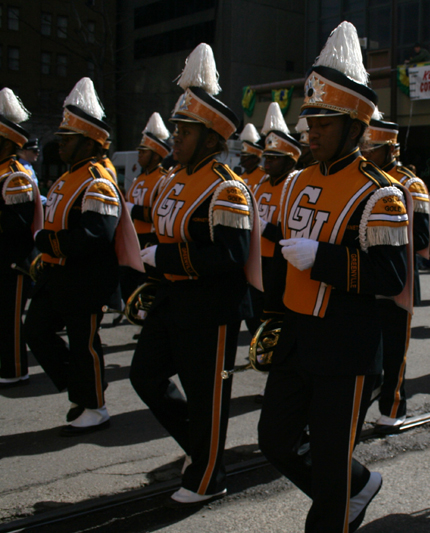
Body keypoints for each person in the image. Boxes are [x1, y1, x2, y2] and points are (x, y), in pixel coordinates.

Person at [257, 22, 410, 532]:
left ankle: (336, 505)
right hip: (297, 339)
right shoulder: (296, 180)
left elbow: (391, 277)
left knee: (327, 464)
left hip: (346, 349)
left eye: (324, 121)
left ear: (353, 127)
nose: (311, 130)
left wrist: (322, 259)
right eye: (309, 120)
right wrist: (270, 315)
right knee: (275, 441)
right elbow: (277, 252)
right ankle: (356, 483)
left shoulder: (380, 193)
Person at [129, 43, 258, 505]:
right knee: (144, 376)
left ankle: (208, 476)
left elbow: (232, 255)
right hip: (172, 300)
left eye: (184, 130)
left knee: (208, 399)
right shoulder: (172, 179)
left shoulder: (228, 188)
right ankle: (202, 450)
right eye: (176, 128)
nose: (175, 137)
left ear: (209, 138)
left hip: (212, 307)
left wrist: (162, 260)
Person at [25, 78, 140, 433]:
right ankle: (83, 388)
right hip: (58, 274)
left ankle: (94, 405)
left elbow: (94, 237)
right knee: (36, 331)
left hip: (85, 279)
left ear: (89, 142)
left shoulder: (97, 181)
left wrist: (46, 240)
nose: (61, 144)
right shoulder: (68, 177)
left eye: (68, 139)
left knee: (84, 344)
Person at [362, 109, 430, 432]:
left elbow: (420, 237)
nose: (366, 153)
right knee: (364, 346)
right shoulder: (361, 176)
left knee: (393, 349)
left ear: (391, 148)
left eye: (373, 147)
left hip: (398, 275)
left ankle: (393, 405)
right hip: (365, 274)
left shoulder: (411, 184)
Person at [247, 102, 301, 337]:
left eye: (274, 159)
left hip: (278, 263)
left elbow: (291, 233)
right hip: (258, 258)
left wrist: (263, 226)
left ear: (290, 161)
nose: (266, 163)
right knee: (253, 313)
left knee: (274, 314)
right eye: (266, 158)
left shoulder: (295, 187)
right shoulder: (260, 184)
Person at [0, 88, 41, 388]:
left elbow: (18, 224)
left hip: (13, 260)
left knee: (11, 319)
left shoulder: (15, 175)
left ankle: (16, 369)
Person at [124, 112, 171, 302]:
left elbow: (158, 214)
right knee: (128, 285)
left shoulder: (163, 179)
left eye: (144, 152)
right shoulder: (138, 179)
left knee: (149, 286)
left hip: (150, 240)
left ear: (156, 155)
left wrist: (131, 209)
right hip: (133, 237)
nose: (139, 155)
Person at [238, 122, 264, 192]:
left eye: (245, 156)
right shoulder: (241, 175)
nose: (242, 159)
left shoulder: (264, 175)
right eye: (242, 156)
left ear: (255, 159)